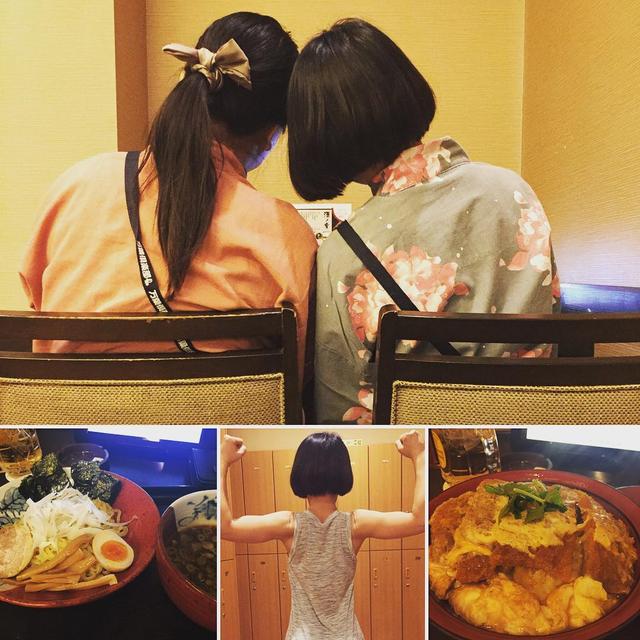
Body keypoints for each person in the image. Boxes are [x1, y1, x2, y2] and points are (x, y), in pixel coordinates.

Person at [287, 18, 560, 423]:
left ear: (322, 136)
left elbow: (338, 407)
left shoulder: (342, 254)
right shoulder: (514, 192)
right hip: (527, 429)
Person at [20, 12, 317, 381]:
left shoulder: (73, 188)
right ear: (272, 129)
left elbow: (38, 303)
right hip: (219, 410)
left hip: (67, 406)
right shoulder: (283, 233)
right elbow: (301, 373)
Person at [220, 430, 425, 639]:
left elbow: (225, 527)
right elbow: (419, 520)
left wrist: (222, 461)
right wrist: (419, 455)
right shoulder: (356, 524)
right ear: (343, 472)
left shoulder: (288, 525)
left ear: (300, 472)